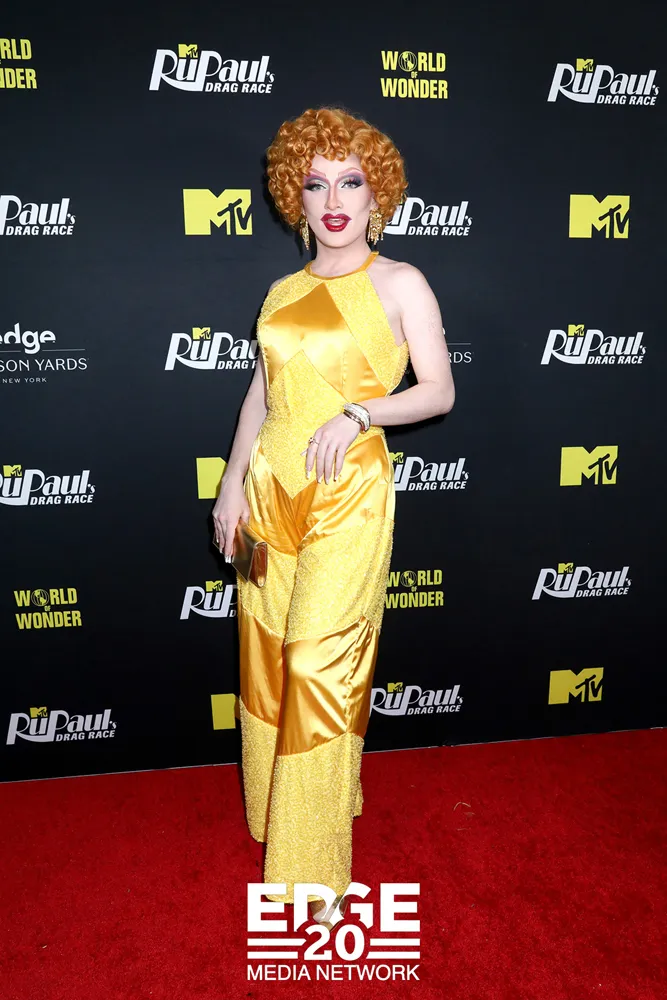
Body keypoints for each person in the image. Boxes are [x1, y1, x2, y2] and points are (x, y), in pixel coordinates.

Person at [212, 106, 455, 926]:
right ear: (296, 197)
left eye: (349, 182)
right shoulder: (282, 292)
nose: (333, 200)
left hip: (347, 492)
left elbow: (437, 391)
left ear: (376, 192)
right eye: (314, 185)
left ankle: (313, 873)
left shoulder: (400, 282)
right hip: (268, 492)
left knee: (318, 667)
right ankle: (275, 812)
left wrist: (359, 413)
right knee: (266, 662)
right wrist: (230, 484)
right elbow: (261, 392)